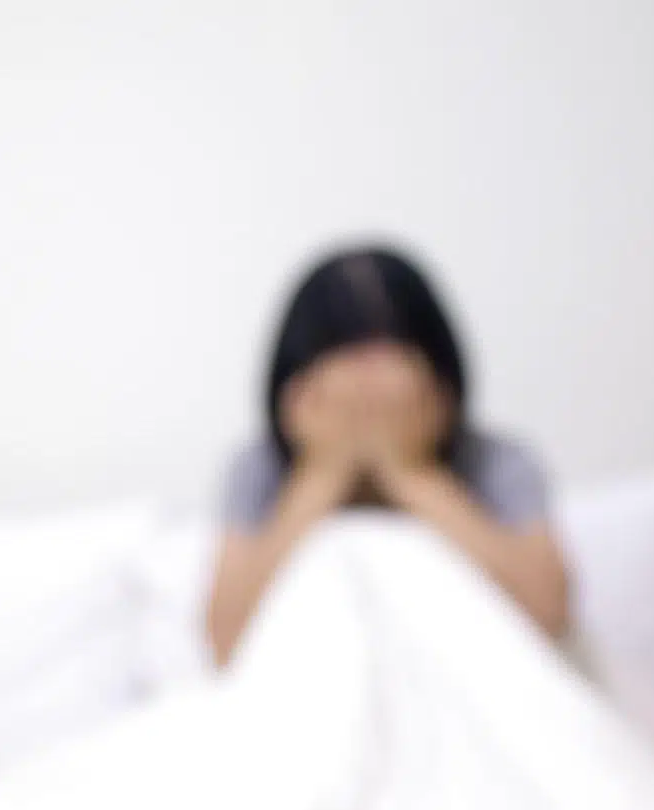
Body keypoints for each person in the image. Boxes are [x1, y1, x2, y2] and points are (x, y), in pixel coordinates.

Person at [207, 245, 570, 665]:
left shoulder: (496, 462)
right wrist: (322, 472)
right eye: (343, 352)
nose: (366, 380)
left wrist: (412, 470)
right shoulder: (261, 470)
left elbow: (549, 616)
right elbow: (227, 642)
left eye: (390, 349)